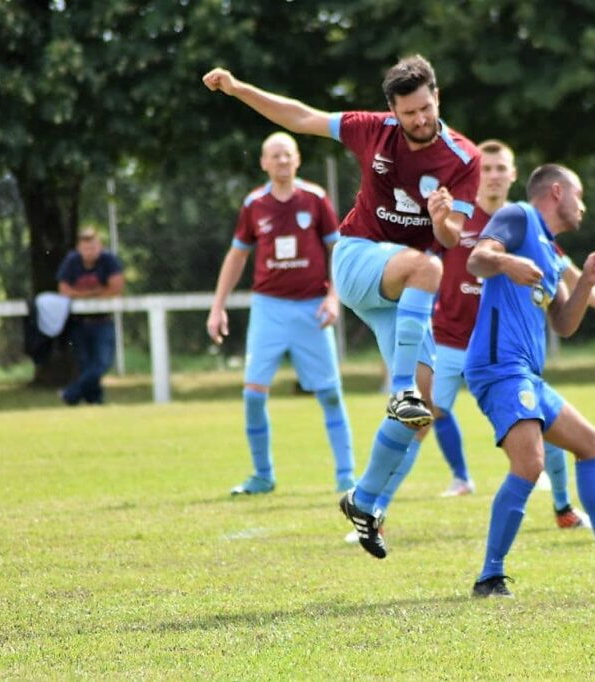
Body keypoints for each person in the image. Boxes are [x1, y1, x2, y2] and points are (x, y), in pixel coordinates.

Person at [204, 55, 480, 559]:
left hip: (395, 291)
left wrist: (443, 220)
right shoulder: (371, 130)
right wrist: (239, 87)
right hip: (358, 260)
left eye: (425, 108)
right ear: (391, 110)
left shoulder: (464, 158)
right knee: (429, 272)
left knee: (429, 410)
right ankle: (399, 390)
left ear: (437, 97)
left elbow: (452, 236)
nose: (418, 119)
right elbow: (300, 117)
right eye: (407, 112)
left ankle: (365, 500)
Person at [400, 140, 595, 532]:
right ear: (476, 175)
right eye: (485, 168)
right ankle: (375, 508)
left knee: (554, 433)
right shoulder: (463, 217)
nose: (492, 175)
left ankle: (563, 507)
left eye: (500, 168)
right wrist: (439, 222)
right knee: (421, 419)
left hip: (509, 352)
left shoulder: (527, 226)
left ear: (512, 175)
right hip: (452, 341)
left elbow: (567, 274)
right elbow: (447, 244)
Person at [465, 163, 595, 597]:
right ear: (557, 192)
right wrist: (506, 261)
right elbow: (477, 258)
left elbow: (563, 324)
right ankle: (489, 576)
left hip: (526, 374)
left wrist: (587, 283)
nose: (584, 206)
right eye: (580, 195)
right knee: (530, 464)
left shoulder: (552, 252)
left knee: (591, 444)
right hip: (499, 366)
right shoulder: (518, 216)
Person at [206, 132, 355, 496]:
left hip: (311, 307)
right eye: (275, 156)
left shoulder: (316, 198)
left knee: (331, 395)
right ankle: (262, 475)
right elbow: (237, 254)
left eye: (288, 155)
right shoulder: (255, 204)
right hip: (268, 308)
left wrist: (334, 297)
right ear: (264, 163)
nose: (282, 161)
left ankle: (347, 477)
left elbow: (338, 250)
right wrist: (217, 306)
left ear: (298, 160)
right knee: (253, 394)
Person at [56, 227, 124, 405]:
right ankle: (96, 401)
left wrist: (80, 294)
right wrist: (96, 293)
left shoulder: (108, 260)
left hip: (103, 321)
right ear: (79, 248)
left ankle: (71, 394)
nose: (90, 252)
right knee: (86, 365)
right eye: (86, 248)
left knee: (102, 362)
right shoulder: (72, 261)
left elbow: (116, 289)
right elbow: (64, 290)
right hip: (79, 323)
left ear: (100, 246)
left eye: (93, 247)